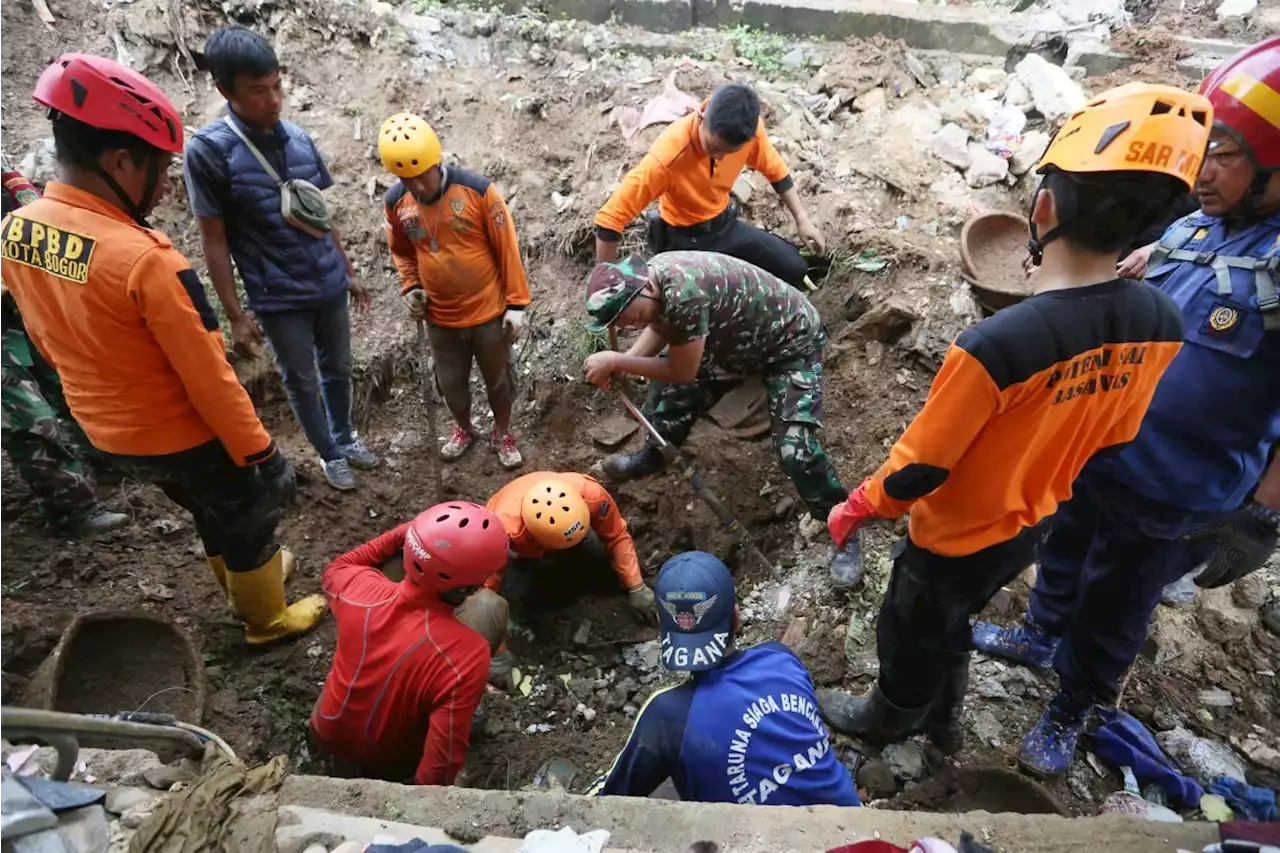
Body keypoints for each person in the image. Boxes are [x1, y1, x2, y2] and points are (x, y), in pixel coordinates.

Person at [815, 83, 1210, 757]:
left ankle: (895, 713)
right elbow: (1116, 432)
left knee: (910, 627)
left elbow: (920, 467)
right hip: (1035, 522)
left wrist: (856, 505)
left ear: (1045, 205)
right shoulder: (1162, 320)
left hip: (951, 535)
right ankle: (945, 712)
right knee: (955, 614)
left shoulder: (998, 345)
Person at [972, 41, 1280, 777]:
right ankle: (1041, 633)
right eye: (1204, 150)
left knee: (1119, 598)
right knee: (1066, 544)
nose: (1202, 171)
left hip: (1180, 485)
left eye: (1226, 155)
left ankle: (1077, 698)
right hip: (1103, 442)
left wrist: (1263, 511)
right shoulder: (1192, 228)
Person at [0, 53, 323, 644]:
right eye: (161, 168)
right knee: (248, 512)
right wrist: (262, 455)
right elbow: (209, 377)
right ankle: (265, 619)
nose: (168, 183)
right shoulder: (145, 260)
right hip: (183, 431)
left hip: (107, 432)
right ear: (121, 161)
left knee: (205, 507)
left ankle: (243, 581)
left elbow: (44, 338)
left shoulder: (17, 230)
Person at [581, 251, 858, 584]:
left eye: (624, 317)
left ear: (644, 290)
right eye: (618, 324)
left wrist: (617, 361)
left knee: (794, 450)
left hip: (789, 343)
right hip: (733, 341)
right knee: (669, 398)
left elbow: (682, 370)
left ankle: (845, 527)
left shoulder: (685, 293)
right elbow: (660, 325)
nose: (626, 326)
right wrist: (625, 360)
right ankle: (655, 455)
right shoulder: (654, 283)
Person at [185, 26, 376, 492]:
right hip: (279, 295)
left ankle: (345, 437)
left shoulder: (298, 139)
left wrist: (347, 271)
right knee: (301, 379)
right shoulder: (210, 152)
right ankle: (330, 455)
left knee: (337, 368)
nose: (273, 100)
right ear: (225, 90)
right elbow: (215, 240)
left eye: (277, 86)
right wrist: (234, 314)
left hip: (326, 283)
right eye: (258, 91)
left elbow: (321, 215)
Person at [586, 551, 860, 807]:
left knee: (669, 789)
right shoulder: (780, 657)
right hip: (854, 826)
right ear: (737, 618)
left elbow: (607, 797)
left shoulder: (667, 716)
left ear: (661, 627)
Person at [311, 502, 511, 785]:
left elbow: (338, 566)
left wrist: (408, 534)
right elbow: (439, 769)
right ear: (467, 588)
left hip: (325, 728)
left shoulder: (358, 588)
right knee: (489, 608)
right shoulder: (467, 653)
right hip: (389, 764)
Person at [380, 112, 530, 469]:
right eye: (406, 178)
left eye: (422, 176)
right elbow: (401, 251)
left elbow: (507, 246)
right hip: (441, 319)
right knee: (450, 383)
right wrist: (411, 286)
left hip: (488, 312)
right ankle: (463, 429)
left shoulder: (478, 192)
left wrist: (517, 304)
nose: (416, 187)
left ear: (437, 161)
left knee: (499, 380)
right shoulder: (396, 201)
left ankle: (502, 432)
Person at [593, 83, 824, 292]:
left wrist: (802, 219)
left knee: (794, 268)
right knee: (705, 306)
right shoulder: (668, 157)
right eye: (712, 147)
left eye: (728, 152)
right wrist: (609, 284)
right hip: (683, 242)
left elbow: (776, 171)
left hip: (724, 227)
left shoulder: (750, 132)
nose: (719, 156)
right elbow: (609, 219)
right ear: (702, 117)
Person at [0, 162, 126, 536]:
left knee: (67, 381)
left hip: (20, 299)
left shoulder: (7, 178)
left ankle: (104, 458)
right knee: (26, 414)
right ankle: (72, 509)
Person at [485, 470, 656, 622]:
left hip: (570, 538)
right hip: (522, 552)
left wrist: (636, 586)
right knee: (521, 597)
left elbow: (616, 535)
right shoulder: (501, 531)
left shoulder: (591, 494)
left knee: (600, 558)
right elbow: (486, 589)